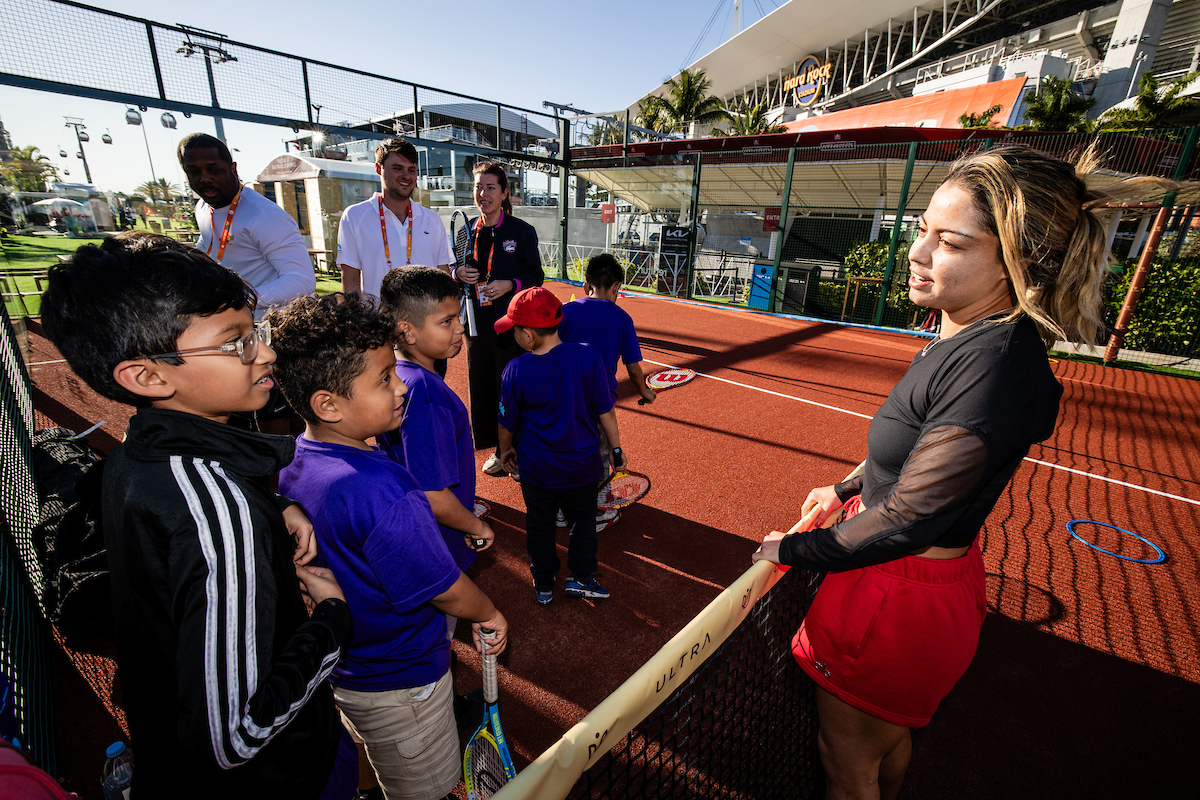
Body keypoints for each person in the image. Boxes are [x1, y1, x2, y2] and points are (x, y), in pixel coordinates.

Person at [753, 145, 1127, 800]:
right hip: (910, 586)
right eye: (921, 229)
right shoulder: (968, 335)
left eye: (949, 241)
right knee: (884, 740)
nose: (918, 252)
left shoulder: (995, 365)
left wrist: (790, 549)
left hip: (894, 599)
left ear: (1023, 260)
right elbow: (915, 455)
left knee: (846, 767)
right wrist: (844, 488)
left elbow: (909, 517)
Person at [39, 232, 357, 799]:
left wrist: (276, 504)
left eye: (253, 330)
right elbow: (235, 734)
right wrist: (332, 617)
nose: (266, 352)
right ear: (148, 376)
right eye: (235, 343)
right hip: (283, 779)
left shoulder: (134, 457)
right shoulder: (220, 513)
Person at [267, 293, 508, 800]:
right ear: (327, 404)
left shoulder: (293, 465)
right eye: (383, 379)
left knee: (369, 759)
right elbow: (443, 589)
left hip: (346, 669)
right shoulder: (383, 491)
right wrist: (488, 613)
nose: (401, 387)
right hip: (404, 681)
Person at [495, 287, 625, 605]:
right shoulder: (587, 355)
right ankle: (581, 576)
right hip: (582, 468)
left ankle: (543, 582)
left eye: (514, 330)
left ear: (528, 335)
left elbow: (506, 423)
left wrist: (505, 451)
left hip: (537, 470)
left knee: (539, 523)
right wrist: (617, 450)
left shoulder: (515, 370)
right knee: (583, 522)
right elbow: (605, 410)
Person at [377, 266, 495, 595]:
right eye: (447, 321)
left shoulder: (397, 375)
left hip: (414, 527)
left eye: (458, 317)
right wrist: (475, 525)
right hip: (438, 538)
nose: (460, 328)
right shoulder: (425, 392)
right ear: (408, 331)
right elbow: (432, 490)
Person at [454, 161, 544, 472]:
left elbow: (536, 277)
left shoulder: (521, 232)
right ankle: (497, 450)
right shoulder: (467, 233)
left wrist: (509, 284)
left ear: (504, 193)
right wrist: (457, 274)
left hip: (511, 328)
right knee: (481, 389)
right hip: (475, 325)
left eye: (491, 187)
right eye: (479, 187)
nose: (483, 193)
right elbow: (452, 270)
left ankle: (519, 450)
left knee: (512, 389)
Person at [178, 133, 316, 322]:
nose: (204, 178)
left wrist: (238, 300)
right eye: (194, 171)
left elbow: (302, 281)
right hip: (238, 324)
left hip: (280, 326)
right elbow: (210, 242)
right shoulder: (202, 207)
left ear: (233, 169)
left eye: (214, 169)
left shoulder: (264, 215)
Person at [559, 253, 657, 475]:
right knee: (599, 452)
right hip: (599, 400)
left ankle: (564, 505)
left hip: (564, 395)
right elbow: (633, 368)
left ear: (586, 286)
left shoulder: (567, 310)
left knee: (565, 450)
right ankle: (599, 507)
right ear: (616, 286)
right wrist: (645, 392)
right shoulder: (622, 319)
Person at [336, 137, 454, 299]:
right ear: (379, 168)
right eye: (398, 168)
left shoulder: (432, 219)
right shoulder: (354, 216)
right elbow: (350, 280)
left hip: (425, 322)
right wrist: (356, 322)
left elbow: (443, 276)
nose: (406, 176)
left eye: (411, 170)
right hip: (378, 322)